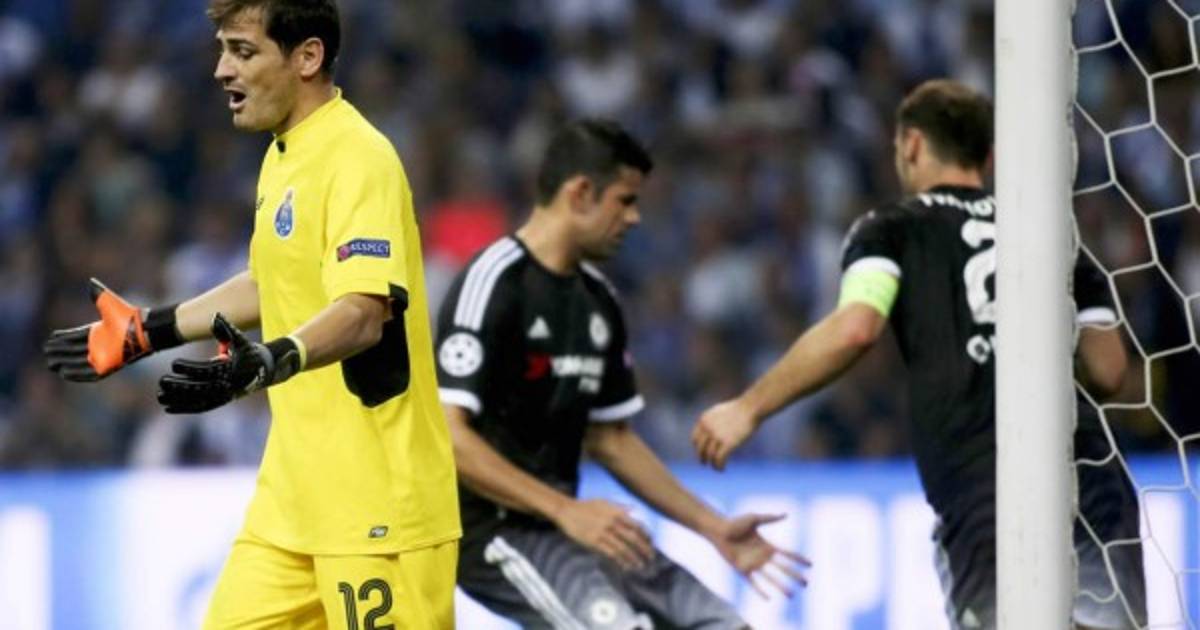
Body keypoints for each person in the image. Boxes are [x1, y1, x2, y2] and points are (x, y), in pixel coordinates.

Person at [43, 1, 460, 628]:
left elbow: (363, 311)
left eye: (242, 51)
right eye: (222, 50)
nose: (221, 70)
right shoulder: (283, 156)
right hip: (292, 500)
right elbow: (271, 284)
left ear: (307, 57)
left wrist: (272, 359)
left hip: (380, 501)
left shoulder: (359, 158)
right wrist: (147, 330)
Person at [690, 80, 1146, 630]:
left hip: (986, 493)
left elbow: (856, 328)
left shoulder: (892, 229)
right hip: (1089, 482)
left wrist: (748, 408)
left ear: (910, 144)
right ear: (988, 157)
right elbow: (1109, 370)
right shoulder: (1052, 236)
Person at [435, 118, 809, 629]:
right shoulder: (494, 282)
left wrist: (713, 526)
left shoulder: (598, 301)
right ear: (580, 193)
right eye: (625, 200)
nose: (634, 218)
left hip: (570, 525)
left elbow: (610, 439)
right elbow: (448, 438)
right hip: (491, 532)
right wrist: (564, 510)